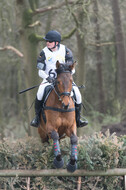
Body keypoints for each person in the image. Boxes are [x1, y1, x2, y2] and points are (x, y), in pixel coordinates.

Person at [30, 30, 88, 128]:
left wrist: (67, 76)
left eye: (50, 41)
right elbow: (40, 71)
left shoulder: (66, 51)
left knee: (78, 95)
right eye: (47, 41)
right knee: (39, 94)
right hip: (48, 79)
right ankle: (37, 118)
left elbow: (72, 69)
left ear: (57, 42)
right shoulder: (43, 52)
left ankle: (78, 119)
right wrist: (48, 78)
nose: (47, 43)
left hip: (64, 81)